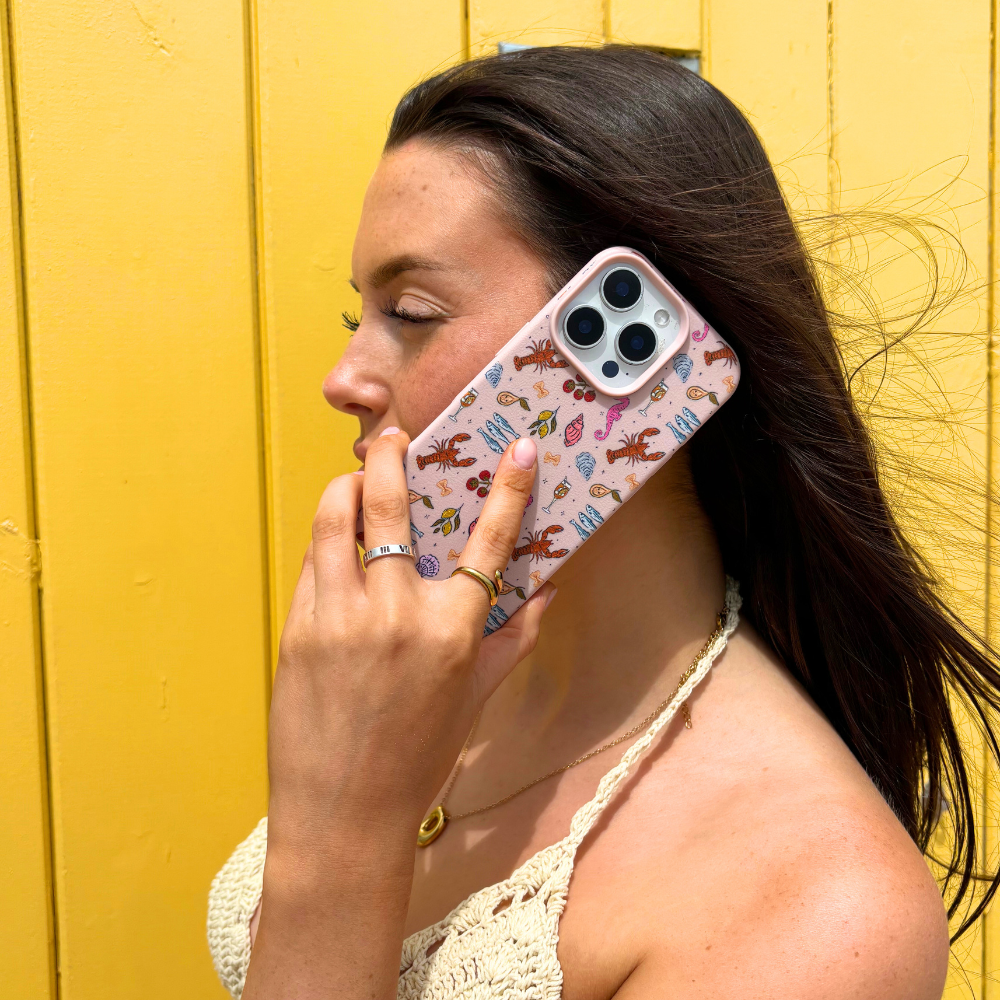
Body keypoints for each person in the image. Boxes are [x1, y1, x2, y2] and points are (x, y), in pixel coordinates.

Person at [207, 45, 1000, 999]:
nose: (344, 381)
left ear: (656, 364)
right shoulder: (418, 671)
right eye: (357, 318)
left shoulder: (823, 911)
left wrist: (340, 838)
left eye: (411, 312)